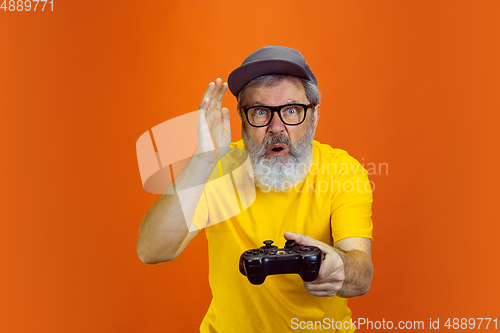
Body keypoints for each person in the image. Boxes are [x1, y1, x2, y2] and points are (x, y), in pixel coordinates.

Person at [137, 46, 374, 333]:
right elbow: (151, 250)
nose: (277, 127)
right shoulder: (220, 169)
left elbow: (361, 275)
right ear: (242, 119)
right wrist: (202, 160)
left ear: (313, 116)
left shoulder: (342, 171)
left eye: (291, 110)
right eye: (260, 111)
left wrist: (341, 268)